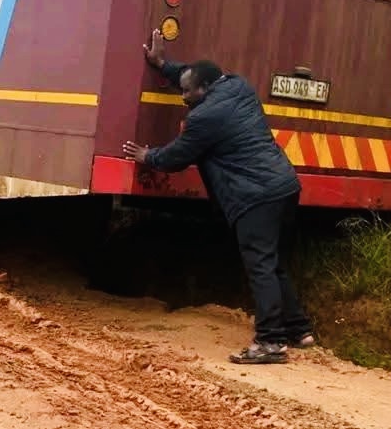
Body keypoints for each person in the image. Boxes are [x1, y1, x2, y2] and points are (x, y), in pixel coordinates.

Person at [123, 29, 314, 365]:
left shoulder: (204, 118)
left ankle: (270, 342)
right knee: (273, 263)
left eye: (186, 93)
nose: (182, 98)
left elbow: (177, 157)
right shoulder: (238, 85)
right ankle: (299, 329)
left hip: (255, 196)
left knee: (260, 267)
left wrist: (147, 156)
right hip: (284, 186)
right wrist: (164, 65)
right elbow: (196, 75)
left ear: (205, 90)